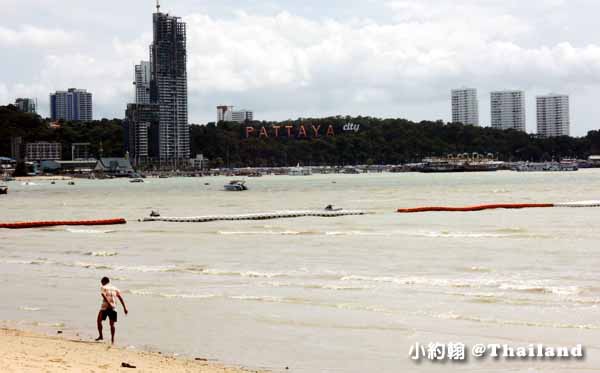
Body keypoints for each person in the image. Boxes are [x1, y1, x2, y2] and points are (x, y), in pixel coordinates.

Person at [96, 277, 128, 344]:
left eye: (102, 282)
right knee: (112, 324)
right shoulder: (115, 288)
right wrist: (125, 308)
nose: (101, 283)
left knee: (99, 320)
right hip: (113, 307)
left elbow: (103, 295)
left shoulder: (103, 287)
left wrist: (109, 303)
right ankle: (112, 340)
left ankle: (101, 336)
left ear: (104, 281)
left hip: (105, 307)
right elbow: (120, 298)